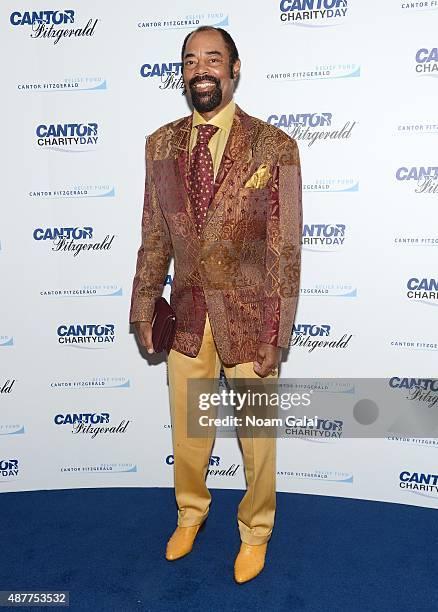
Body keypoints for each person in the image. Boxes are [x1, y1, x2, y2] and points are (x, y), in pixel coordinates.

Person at [130, 26, 302, 584]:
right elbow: (154, 234)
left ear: (234, 69)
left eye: (213, 59)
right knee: (188, 431)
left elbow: (286, 248)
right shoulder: (160, 143)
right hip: (185, 316)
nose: (201, 69)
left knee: (256, 438)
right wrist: (143, 305)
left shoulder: (275, 146)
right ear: (182, 73)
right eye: (190, 60)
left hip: (250, 322)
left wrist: (277, 332)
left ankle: (256, 530)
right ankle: (190, 514)